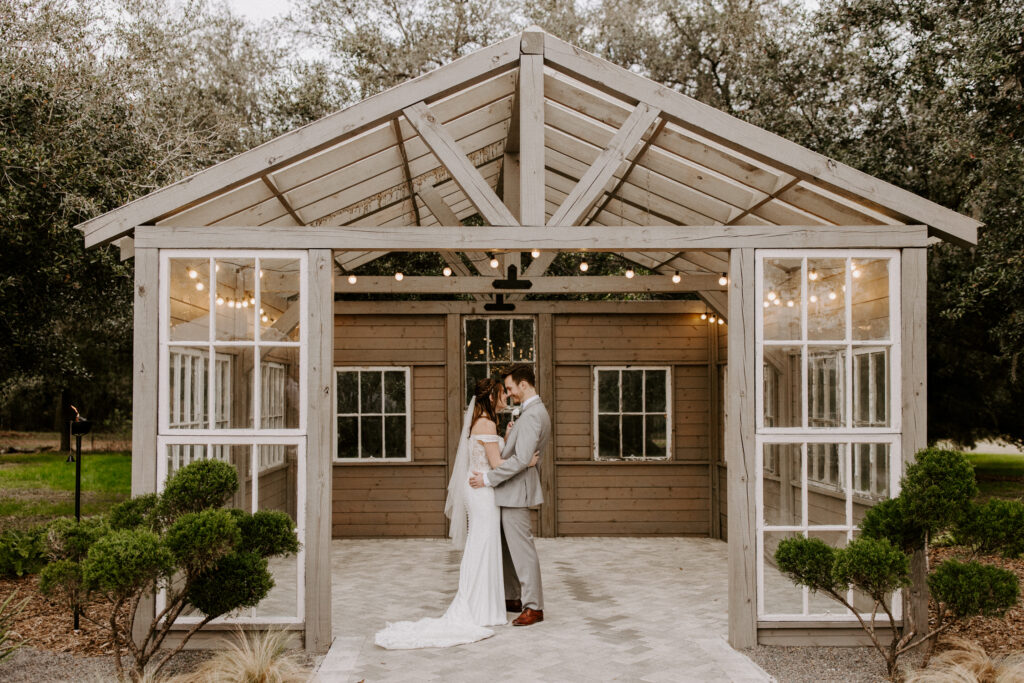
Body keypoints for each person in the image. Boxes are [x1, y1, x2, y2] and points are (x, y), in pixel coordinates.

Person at [374, 377, 539, 649]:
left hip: (482, 488)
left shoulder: (486, 421)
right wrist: (527, 461)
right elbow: (496, 463)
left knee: (484, 544)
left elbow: (489, 455)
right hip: (482, 491)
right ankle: (476, 605)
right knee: (482, 544)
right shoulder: (485, 422)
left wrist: (506, 437)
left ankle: (483, 604)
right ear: (490, 397)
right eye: (502, 394)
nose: (506, 398)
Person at [469, 363, 550, 627]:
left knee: (522, 549)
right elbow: (517, 455)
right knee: (507, 548)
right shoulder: (527, 414)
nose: (510, 392)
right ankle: (514, 596)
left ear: (524, 385)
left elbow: (522, 459)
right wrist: (510, 435)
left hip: (515, 491)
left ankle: (533, 606)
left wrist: (489, 478)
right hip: (507, 491)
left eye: (511, 387)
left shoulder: (534, 414)